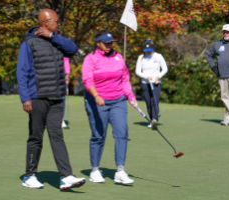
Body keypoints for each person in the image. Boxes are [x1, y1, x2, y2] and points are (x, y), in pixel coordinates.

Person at [16, 8, 85, 190]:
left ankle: (66, 176)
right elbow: (21, 72)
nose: (58, 23)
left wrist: (52, 36)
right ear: (46, 23)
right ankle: (29, 176)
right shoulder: (28, 43)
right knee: (36, 136)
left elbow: (73, 48)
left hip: (57, 97)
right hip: (37, 97)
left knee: (57, 135)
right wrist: (26, 98)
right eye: (55, 21)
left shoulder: (57, 41)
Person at [82, 30, 137, 185]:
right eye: (105, 43)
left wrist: (130, 95)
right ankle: (95, 170)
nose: (109, 45)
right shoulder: (90, 59)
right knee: (99, 135)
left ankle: (120, 171)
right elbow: (87, 80)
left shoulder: (118, 57)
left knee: (121, 133)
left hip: (118, 100)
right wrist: (96, 96)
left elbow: (125, 78)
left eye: (111, 43)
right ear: (97, 43)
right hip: (96, 101)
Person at [135, 39, 168, 129]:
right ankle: (152, 119)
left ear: (153, 49)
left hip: (156, 82)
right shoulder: (141, 58)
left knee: (154, 101)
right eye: (146, 51)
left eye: (150, 51)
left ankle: (154, 120)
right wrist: (146, 77)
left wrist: (158, 76)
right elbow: (137, 71)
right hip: (145, 83)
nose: (148, 52)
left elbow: (165, 69)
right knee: (149, 103)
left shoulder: (158, 56)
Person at [62, 57, 70, 129]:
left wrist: (67, 73)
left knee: (61, 97)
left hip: (62, 73)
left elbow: (66, 59)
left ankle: (60, 120)